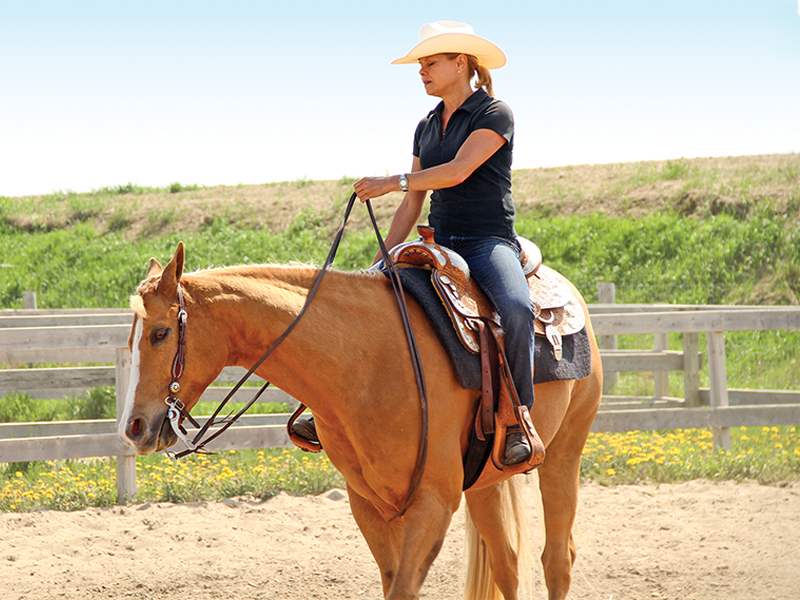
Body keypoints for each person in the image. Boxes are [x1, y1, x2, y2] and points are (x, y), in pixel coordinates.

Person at [293, 21, 538, 466]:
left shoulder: (494, 113)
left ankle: (517, 417)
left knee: (518, 309)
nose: (421, 71)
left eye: (430, 63)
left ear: (459, 63)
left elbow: (458, 171)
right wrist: (382, 256)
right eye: (420, 64)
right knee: (366, 303)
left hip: (487, 242)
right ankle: (325, 407)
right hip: (438, 238)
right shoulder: (426, 125)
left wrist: (392, 180)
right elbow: (413, 203)